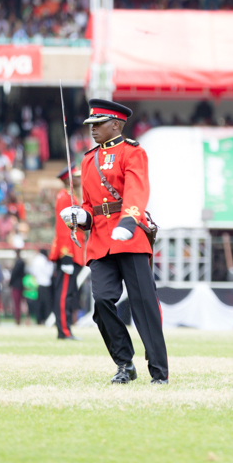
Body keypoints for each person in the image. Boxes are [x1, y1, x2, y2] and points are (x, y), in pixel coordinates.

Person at [60, 98, 169, 384]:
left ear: (117, 124)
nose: (92, 129)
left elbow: (136, 189)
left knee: (144, 304)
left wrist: (129, 220)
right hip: (100, 240)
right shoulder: (87, 159)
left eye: (98, 124)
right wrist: (79, 217)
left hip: (129, 236)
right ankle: (124, 362)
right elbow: (89, 205)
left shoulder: (133, 152)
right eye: (91, 124)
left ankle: (159, 371)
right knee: (102, 303)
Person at [49, 166, 84, 339]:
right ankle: (64, 330)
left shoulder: (71, 196)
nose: (79, 179)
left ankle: (66, 329)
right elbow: (63, 229)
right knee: (63, 293)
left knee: (68, 293)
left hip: (73, 251)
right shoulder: (65, 197)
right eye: (76, 177)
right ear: (68, 179)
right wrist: (67, 256)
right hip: (67, 252)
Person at [29, 248, 54, 324]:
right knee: (47, 304)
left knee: (39, 304)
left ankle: (39, 320)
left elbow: (33, 272)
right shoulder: (46, 260)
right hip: (46, 284)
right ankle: (47, 319)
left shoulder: (36, 260)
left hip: (38, 284)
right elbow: (49, 273)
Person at [10, 249, 27, 326]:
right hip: (21, 285)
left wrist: (10, 283)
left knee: (16, 304)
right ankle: (23, 319)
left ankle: (18, 320)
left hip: (16, 286)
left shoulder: (18, 262)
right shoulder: (23, 262)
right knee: (22, 303)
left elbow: (14, 274)